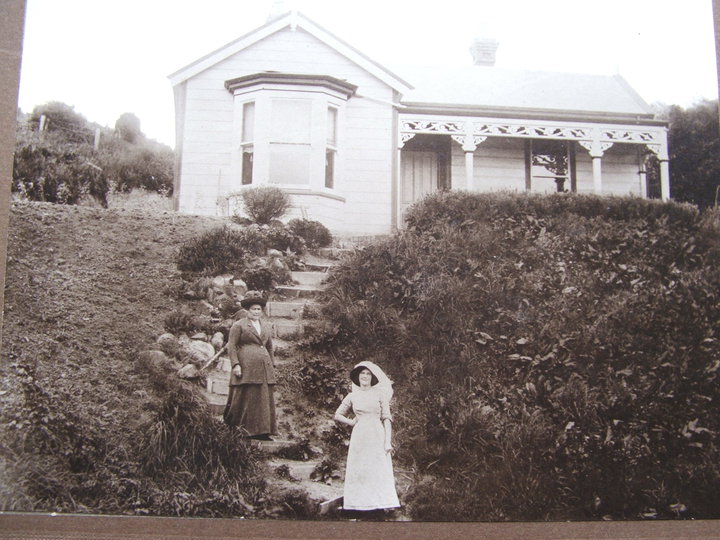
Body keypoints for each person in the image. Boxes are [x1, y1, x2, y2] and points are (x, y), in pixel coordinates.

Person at [334, 361, 400, 513]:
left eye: (368, 373)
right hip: (359, 436)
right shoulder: (352, 396)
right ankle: (358, 506)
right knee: (360, 469)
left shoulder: (380, 394)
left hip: (376, 434)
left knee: (376, 468)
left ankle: (378, 505)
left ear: (373, 377)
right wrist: (351, 422)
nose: (365, 376)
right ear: (357, 377)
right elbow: (337, 415)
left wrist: (387, 441)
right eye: (362, 373)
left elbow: (386, 418)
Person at [223, 291, 277, 441]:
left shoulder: (265, 326)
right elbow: (231, 346)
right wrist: (236, 365)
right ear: (247, 310)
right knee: (245, 396)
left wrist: (272, 364)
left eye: (259, 309)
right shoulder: (238, 325)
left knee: (263, 398)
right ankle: (241, 430)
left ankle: (263, 431)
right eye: (253, 309)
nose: (256, 312)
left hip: (263, 366)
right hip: (246, 366)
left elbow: (270, 347)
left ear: (262, 311)